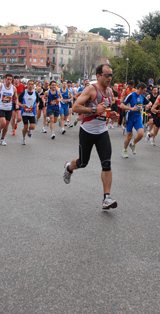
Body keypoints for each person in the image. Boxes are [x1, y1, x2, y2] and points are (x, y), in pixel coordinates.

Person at [62, 64, 120, 210]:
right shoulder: (90, 89)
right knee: (82, 163)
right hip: (87, 132)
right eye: (106, 75)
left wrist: (110, 114)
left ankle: (106, 198)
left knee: (106, 164)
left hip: (102, 133)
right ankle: (69, 167)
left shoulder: (109, 92)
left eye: (111, 75)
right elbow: (75, 107)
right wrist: (94, 109)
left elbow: (104, 110)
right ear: (98, 76)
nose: (109, 78)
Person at [119, 82, 151, 158]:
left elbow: (150, 102)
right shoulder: (131, 95)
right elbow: (122, 105)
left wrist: (148, 105)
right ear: (140, 89)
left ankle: (133, 144)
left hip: (138, 118)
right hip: (130, 117)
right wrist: (131, 108)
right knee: (129, 136)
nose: (145, 92)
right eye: (144, 90)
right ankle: (124, 150)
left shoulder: (142, 96)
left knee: (141, 134)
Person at [0, 73, 18, 146]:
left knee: (6, 126)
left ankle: (2, 139)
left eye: (10, 79)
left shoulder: (13, 88)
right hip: (1, 107)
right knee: (3, 123)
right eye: (8, 79)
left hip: (9, 108)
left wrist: (17, 103)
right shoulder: (0, 87)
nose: (9, 81)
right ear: (5, 79)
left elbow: (16, 97)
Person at [18, 79, 38, 145]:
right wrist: (21, 105)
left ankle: (29, 130)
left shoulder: (35, 93)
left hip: (32, 112)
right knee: (25, 126)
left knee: (33, 127)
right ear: (27, 85)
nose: (30, 86)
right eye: (29, 84)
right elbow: (18, 101)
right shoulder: (24, 93)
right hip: (24, 112)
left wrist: (36, 105)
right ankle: (23, 138)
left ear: (33, 85)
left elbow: (38, 101)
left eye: (32, 84)